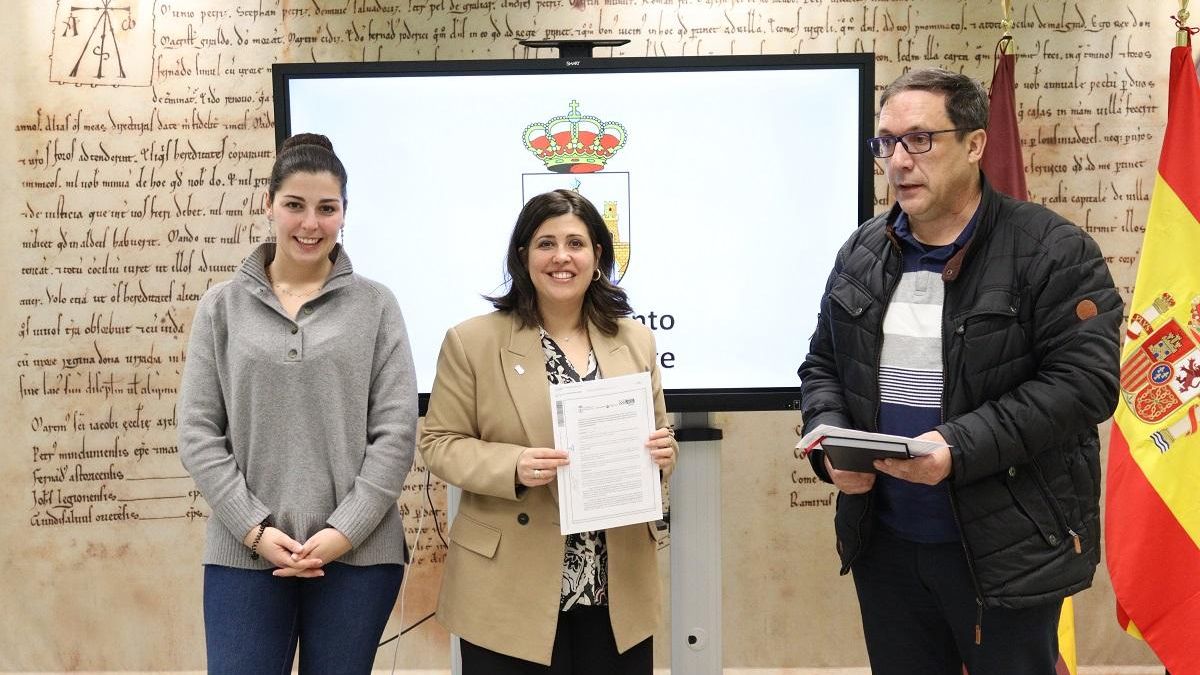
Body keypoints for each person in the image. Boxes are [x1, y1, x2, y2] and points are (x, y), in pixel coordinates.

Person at [798, 68, 1121, 674]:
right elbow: (822, 364)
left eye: (919, 139)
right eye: (886, 142)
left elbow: (1085, 383)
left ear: (974, 145)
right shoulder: (861, 251)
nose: (898, 160)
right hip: (885, 544)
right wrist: (830, 447)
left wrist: (957, 446)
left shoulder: (1054, 251)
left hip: (1006, 547)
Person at [178, 133, 418, 674]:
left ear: (343, 215)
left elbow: (397, 432)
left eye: (326, 209)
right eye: (295, 206)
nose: (310, 224)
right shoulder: (221, 307)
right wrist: (254, 529)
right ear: (268, 206)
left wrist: (343, 531)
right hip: (245, 552)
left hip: (357, 556)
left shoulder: (377, 306)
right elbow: (197, 432)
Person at [419, 188, 677, 674]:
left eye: (576, 243)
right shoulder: (472, 341)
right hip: (509, 588)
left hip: (615, 588)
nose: (562, 257)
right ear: (523, 256)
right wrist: (511, 465)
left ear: (598, 255)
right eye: (546, 243)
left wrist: (665, 452)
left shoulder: (636, 340)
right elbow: (439, 444)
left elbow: (659, 438)